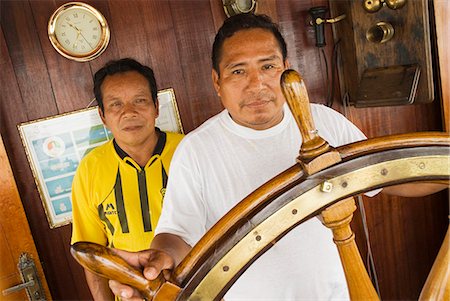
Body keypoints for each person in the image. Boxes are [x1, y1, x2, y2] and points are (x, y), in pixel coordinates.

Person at [108, 14, 446, 300]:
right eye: (238, 71)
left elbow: (391, 176)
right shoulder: (196, 151)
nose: (257, 84)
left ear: (286, 69)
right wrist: (160, 258)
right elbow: (177, 235)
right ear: (217, 81)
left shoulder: (324, 121)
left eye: (267, 66)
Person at [71, 58, 184, 300]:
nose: (129, 112)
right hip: (131, 294)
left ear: (156, 106)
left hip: (201, 286)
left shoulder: (189, 151)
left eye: (140, 101)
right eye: (116, 104)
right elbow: (93, 257)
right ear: (103, 116)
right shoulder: (90, 169)